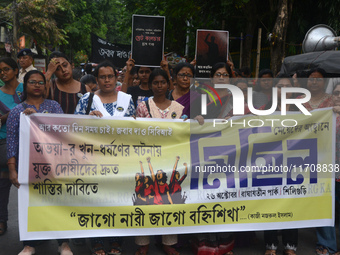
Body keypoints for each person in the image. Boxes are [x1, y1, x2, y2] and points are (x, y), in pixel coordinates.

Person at [6, 70, 72, 255]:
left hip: (54, 166)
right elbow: (12, 142)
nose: (37, 85)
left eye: (41, 82)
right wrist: (12, 170)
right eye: (32, 82)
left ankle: (63, 243)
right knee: (30, 204)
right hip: (28, 168)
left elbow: (63, 133)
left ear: (46, 86)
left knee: (58, 203)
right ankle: (29, 244)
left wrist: (37, 118)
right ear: (25, 86)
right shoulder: (17, 111)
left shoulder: (54, 106)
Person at [74, 60, 135, 255]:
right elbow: (74, 127)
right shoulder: (87, 99)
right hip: (94, 160)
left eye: (110, 76)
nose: (107, 80)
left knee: (119, 199)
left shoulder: (127, 99)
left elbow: (135, 130)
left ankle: (117, 240)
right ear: (97, 79)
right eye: (102, 77)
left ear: (116, 77)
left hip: (121, 160)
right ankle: (97, 241)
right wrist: (87, 119)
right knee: (96, 200)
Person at [262, 74, 298, 255]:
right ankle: (271, 245)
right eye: (280, 86)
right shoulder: (263, 110)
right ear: (274, 89)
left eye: (287, 86)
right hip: (270, 163)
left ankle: (290, 245)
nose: (283, 89)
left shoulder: (303, 111)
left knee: (291, 202)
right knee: (270, 202)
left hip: (295, 163)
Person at [314, 84, 340, 255]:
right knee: (324, 206)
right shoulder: (324, 113)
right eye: (337, 93)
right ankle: (327, 245)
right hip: (325, 167)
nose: (339, 96)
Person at [0, 57, 23, 236]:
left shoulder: (28, 87)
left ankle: (36, 223)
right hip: (5, 139)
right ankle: (2, 220)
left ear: (16, 71)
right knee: (4, 181)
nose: (3, 73)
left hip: (29, 139)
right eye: (1, 70)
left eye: (7, 69)